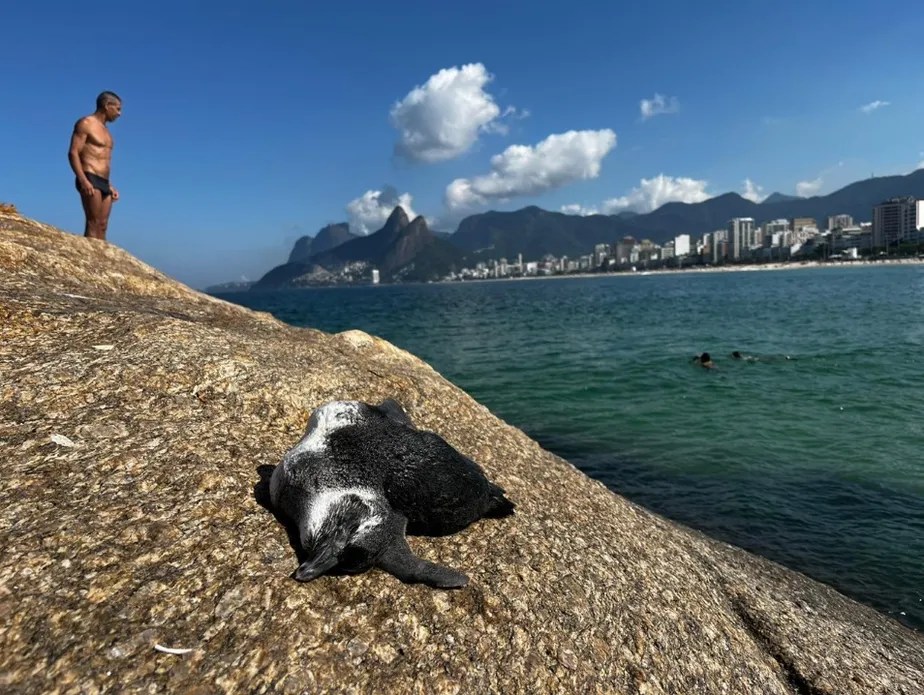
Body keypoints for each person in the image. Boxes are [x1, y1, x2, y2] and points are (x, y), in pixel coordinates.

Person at [68, 91, 122, 240]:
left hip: (104, 182)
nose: (119, 113)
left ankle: (100, 262)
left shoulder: (107, 132)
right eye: (117, 108)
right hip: (89, 176)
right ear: (107, 106)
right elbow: (73, 153)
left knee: (103, 225)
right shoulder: (86, 123)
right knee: (93, 223)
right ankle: (86, 262)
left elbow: (104, 160)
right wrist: (83, 179)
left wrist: (109, 185)